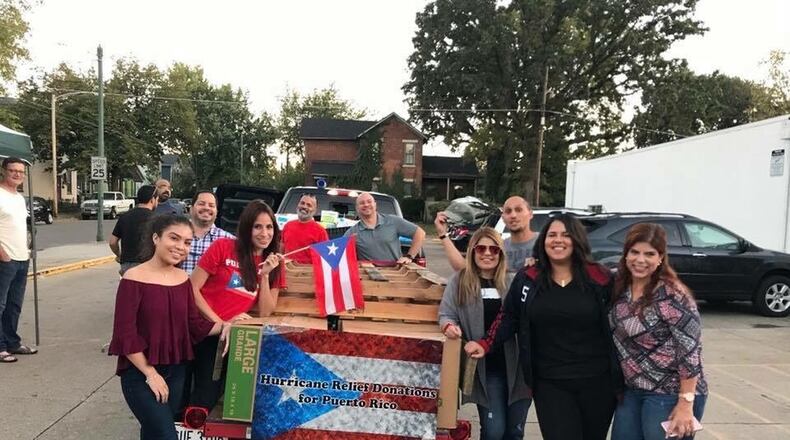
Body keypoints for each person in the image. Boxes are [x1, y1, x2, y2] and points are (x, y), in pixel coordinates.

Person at [465, 214, 622, 440]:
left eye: (566, 235)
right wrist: (485, 343)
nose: (558, 240)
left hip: (597, 381)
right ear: (543, 240)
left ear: (577, 240)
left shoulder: (599, 277)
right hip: (550, 381)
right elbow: (509, 317)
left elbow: (623, 318)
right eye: (552, 235)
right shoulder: (529, 277)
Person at [108, 214, 230, 440]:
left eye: (187, 242)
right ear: (156, 238)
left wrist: (225, 325)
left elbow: (193, 325)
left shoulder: (183, 279)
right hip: (140, 375)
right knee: (166, 435)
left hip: (176, 373)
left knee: (153, 433)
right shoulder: (133, 278)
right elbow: (125, 334)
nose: (181, 247)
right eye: (174, 238)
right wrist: (150, 373)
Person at [609, 223, 708, 440]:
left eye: (649, 254)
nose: (640, 260)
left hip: (670, 393)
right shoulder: (618, 285)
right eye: (634, 252)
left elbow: (690, 352)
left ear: (661, 257)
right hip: (632, 390)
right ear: (625, 254)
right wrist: (537, 263)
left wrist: (685, 403)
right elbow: (581, 274)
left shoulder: (673, 295)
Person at [189, 200, 285, 411]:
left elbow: (266, 311)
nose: (264, 233)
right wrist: (221, 323)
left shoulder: (274, 262)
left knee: (227, 399)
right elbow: (193, 288)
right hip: (204, 329)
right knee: (200, 396)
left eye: (269, 227)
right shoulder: (224, 247)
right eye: (257, 226)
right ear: (246, 227)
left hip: (236, 335)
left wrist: (266, 276)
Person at [438, 227, 531, 440]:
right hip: (485, 370)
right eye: (481, 248)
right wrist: (449, 326)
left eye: (493, 249)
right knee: (493, 431)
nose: (487, 253)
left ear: (501, 253)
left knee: (515, 432)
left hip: (518, 370)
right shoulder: (460, 281)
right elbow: (446, 313)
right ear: (472, 251)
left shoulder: (514, 281)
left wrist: (536, 268)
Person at [436, 196, 537, 277]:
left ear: (530, 214)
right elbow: (465, 270)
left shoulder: (543, 244)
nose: (513, 215)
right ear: (503, 217)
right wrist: (443, 235)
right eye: (508, 211)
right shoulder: (497, 248)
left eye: (519, 210)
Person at [0, 157, 37, 363]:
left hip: (22, 256)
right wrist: (2, 253)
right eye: (12, 170)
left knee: (14, 304)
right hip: (5, 258)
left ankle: (12, 342)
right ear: (4, 171)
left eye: (20, 172)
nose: (17, 174)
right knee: (1, 304)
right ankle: (1, 347)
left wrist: (28, 249)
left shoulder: (18, 198)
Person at [343, 192, 425, 264]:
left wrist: (409, 257)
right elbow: (340, 254)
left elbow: (420, 233)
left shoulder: (393, 221)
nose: (366, 205)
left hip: (395, 273)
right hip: (368, 276)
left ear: (375, 204)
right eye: (362, 203)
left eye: (369, 201)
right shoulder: (352, 232)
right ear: (357, 208)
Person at [181, 190, 234, 275]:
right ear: (191, 209)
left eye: (211, 205)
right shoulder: (176, 235)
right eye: (201, 204)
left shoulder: (230, 241)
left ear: (216, 212)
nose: (206, 208)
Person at [110, 185, 159, 275]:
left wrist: (119, 255)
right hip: (148, 264)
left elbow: (113, 242)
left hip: (127, 264)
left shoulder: (124, 216)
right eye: (157, 199)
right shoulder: (157, 219)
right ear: (152, 199)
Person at [281, 193, 328, 264]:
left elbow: (325, 258)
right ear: (298, 205)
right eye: (302, 203)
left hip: (307, 272)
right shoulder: (288, 226)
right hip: (287, 270)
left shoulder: (320, 231)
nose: (304, 206)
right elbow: (281, 248)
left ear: (314, 210)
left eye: (309, 205)